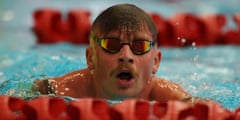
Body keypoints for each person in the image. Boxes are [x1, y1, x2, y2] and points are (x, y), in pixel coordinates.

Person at [32, 3, 204, 103]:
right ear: (91, 58)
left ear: (156, 62)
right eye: (111, 44)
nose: (126, 55)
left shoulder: (164, 94)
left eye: (139, 46)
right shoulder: (60, 90)